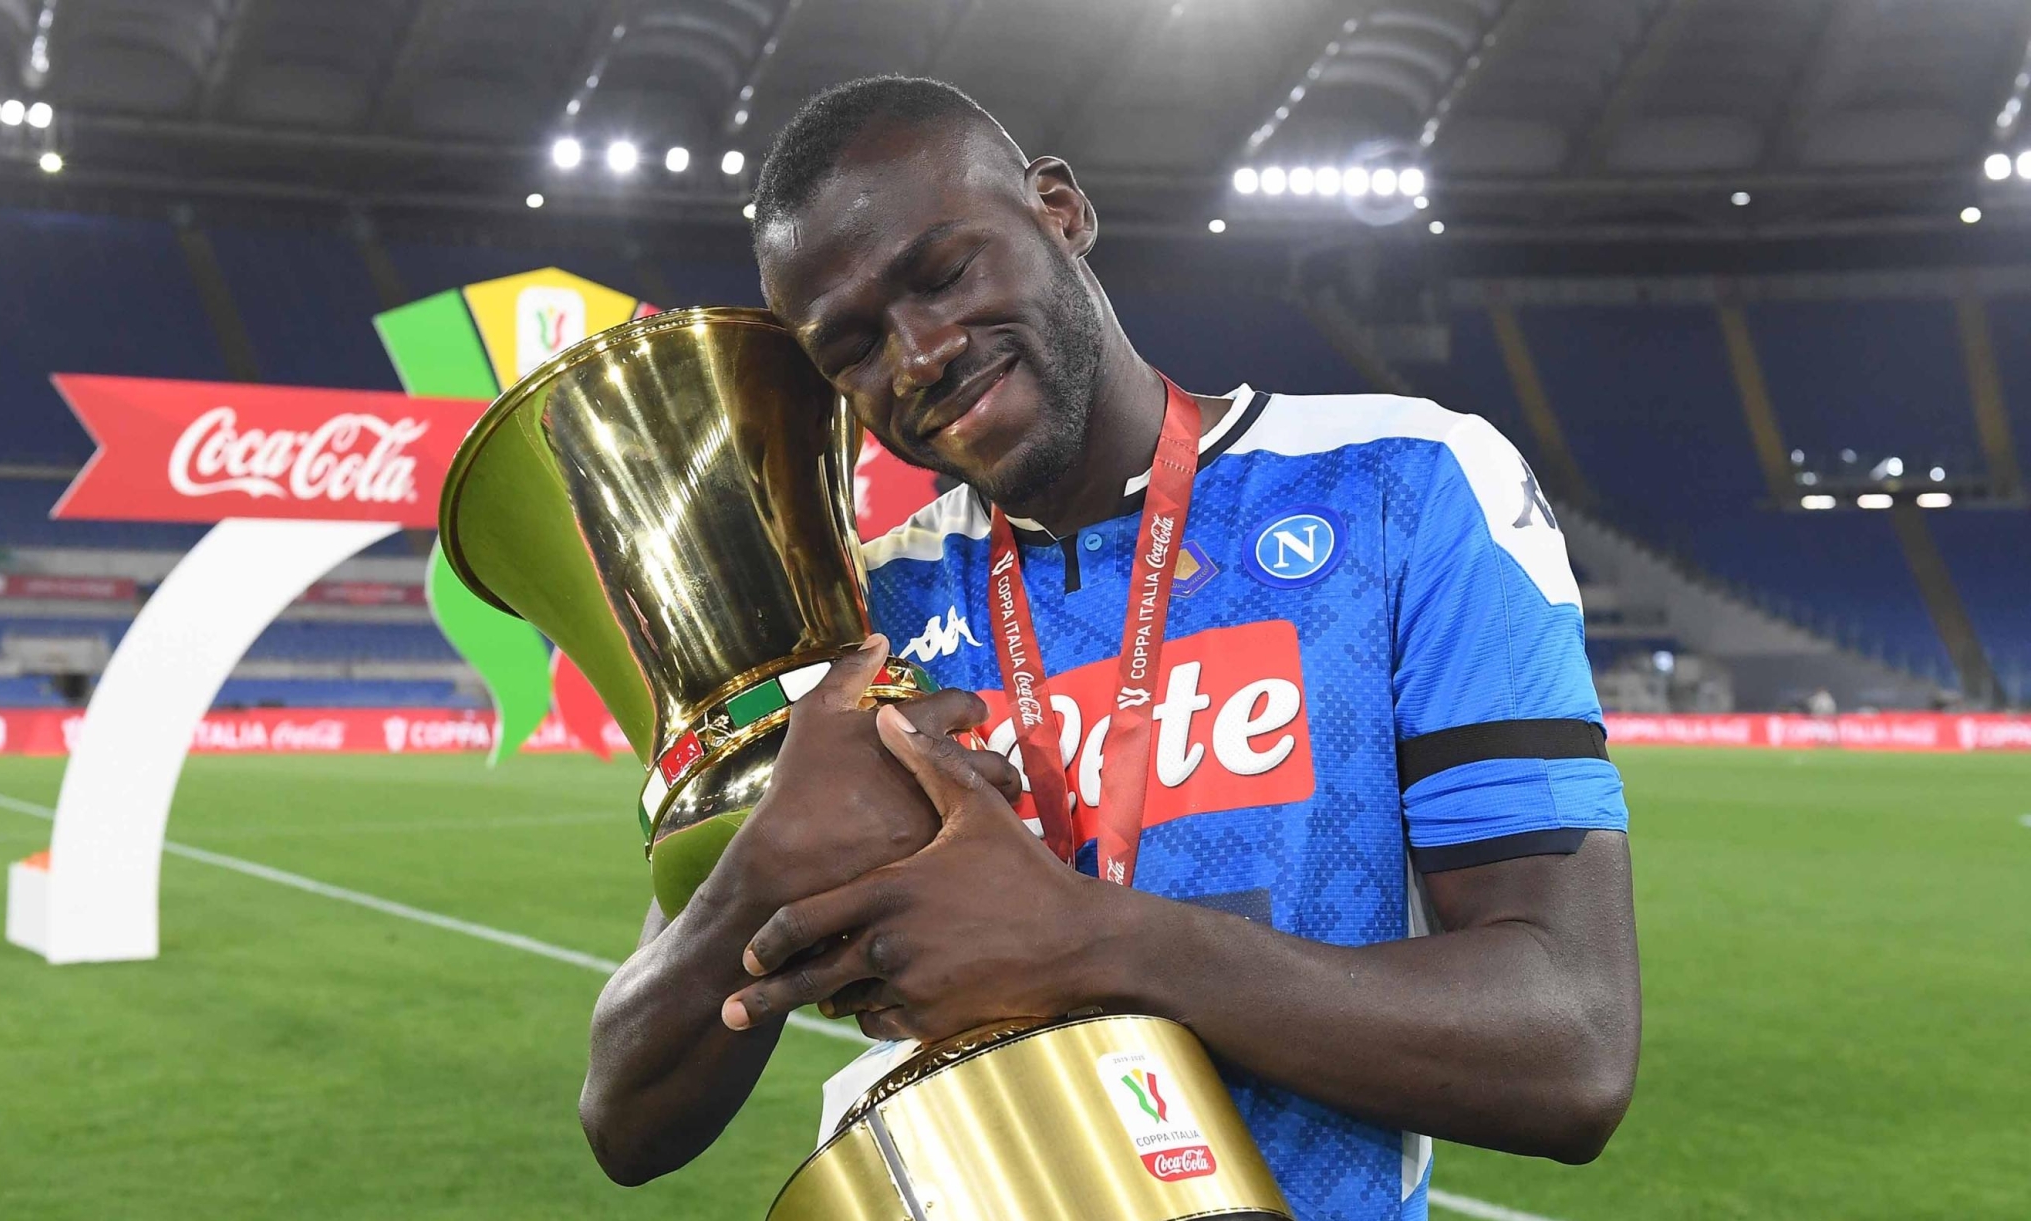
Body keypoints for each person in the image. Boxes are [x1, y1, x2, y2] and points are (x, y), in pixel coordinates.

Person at [579, 75, 1640, 1220]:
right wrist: (757, 876)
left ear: (1059, 210)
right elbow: (628, 1123)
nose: (920, 353)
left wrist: (1092, 943)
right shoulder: (851, 626)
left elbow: (1569, 1046)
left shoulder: (1404, 485)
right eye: (851, 348)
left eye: (944, 274)